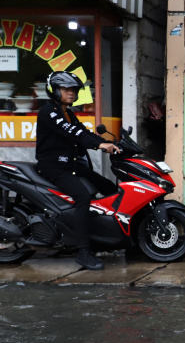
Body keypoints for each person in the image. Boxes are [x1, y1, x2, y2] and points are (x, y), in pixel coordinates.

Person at [35, 71, 121, 271]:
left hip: (71, 165)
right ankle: (83, 251)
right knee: (83, 197)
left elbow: (82, 131)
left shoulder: (67, 112)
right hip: (54, 167)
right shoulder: (49, 112)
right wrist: (99, 146)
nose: (71, 93)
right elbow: (72, 133)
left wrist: (107, 142)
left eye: (73, 89)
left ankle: (107, 237)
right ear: (54, 90)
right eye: (65, 89)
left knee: (107, 186)